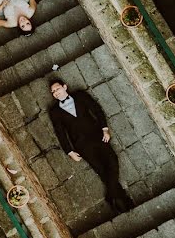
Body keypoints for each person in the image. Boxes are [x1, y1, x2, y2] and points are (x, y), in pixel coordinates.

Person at [48, 80, 133, 213]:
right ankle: (120, 198)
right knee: (101, 170)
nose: (55, 93)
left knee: (112, 160)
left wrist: (105, 129)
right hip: (81, 145)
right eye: (53, 92)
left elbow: (96, 109)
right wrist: (69, 151)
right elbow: (60, 132)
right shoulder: (54, 112)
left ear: (65, 87)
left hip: (97, 135)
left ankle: (111, 196)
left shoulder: (80, 96)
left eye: (57, 89)